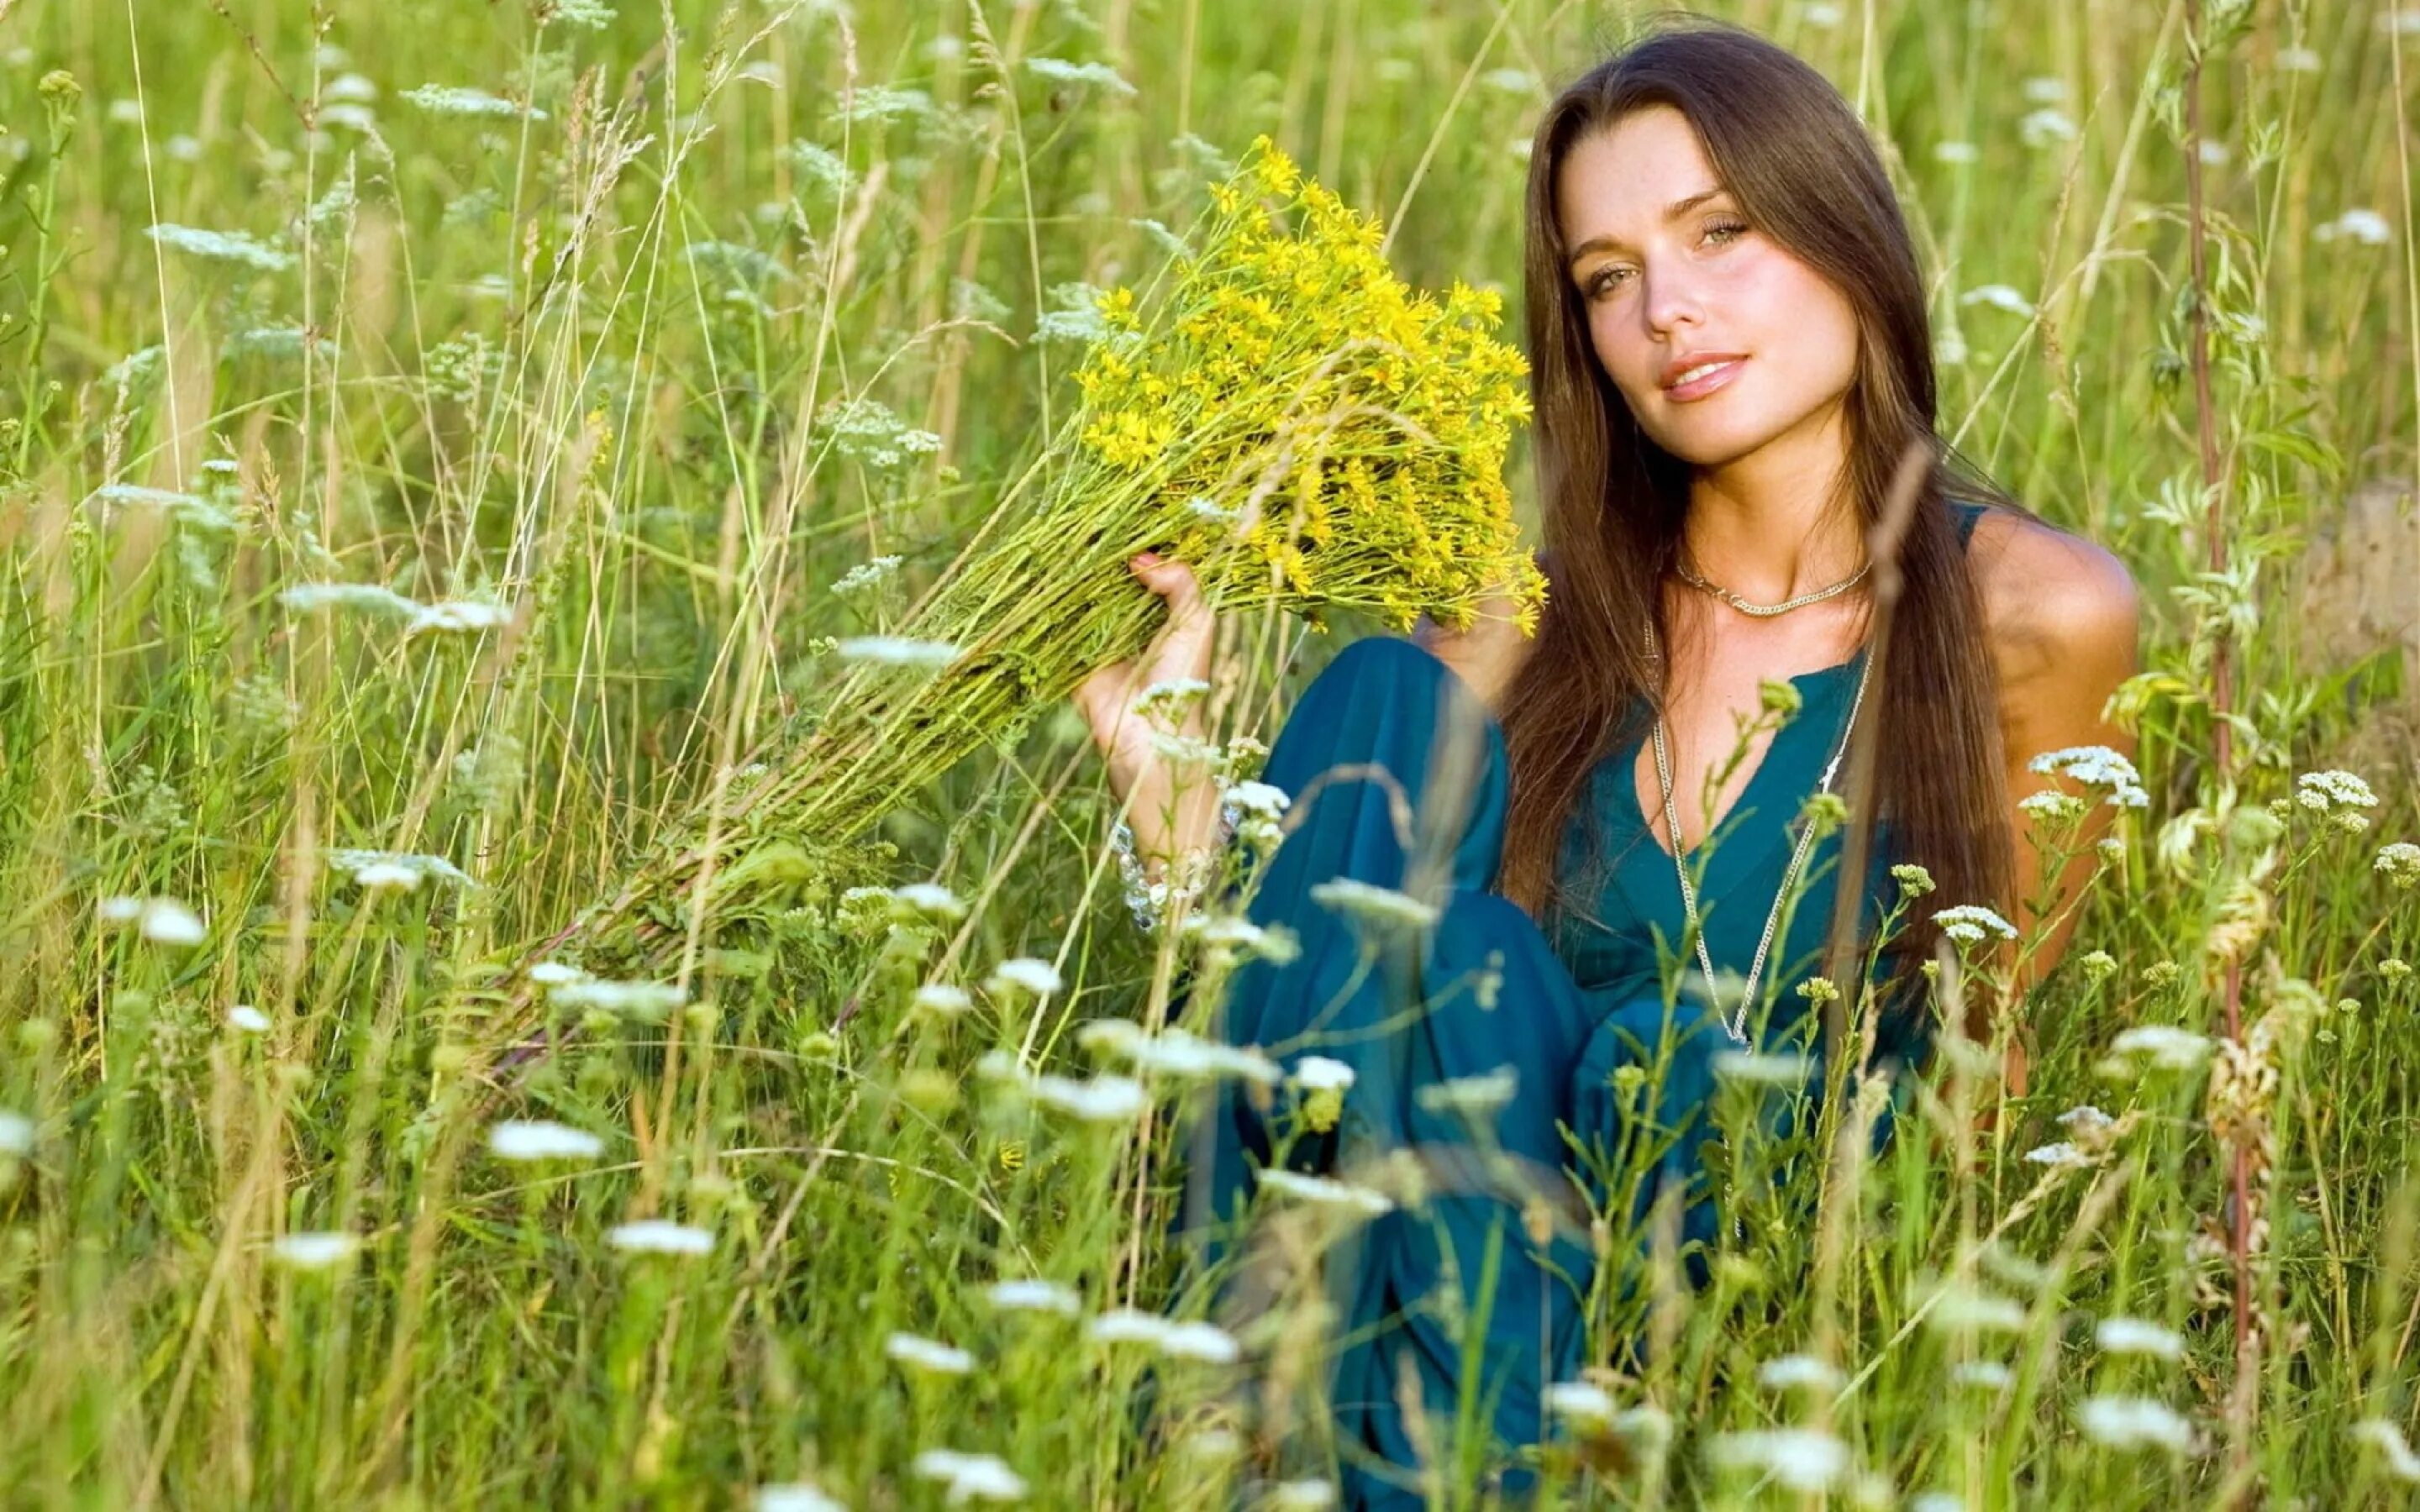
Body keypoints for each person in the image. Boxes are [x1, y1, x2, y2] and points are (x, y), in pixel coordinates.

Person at [1071, 17, 2139, 1509]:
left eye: (1721, 233)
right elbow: (1337, 985)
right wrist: (1182, 809)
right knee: (1412, 773)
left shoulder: (2036, 614)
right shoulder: (1521, 624)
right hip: (1440, 1223)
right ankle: (1326, 1422)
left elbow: (1983, 1055)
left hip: (1736, 1222)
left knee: (1675, 1053)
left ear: (1847, 234)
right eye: (1608, 279)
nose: (1669, 314)